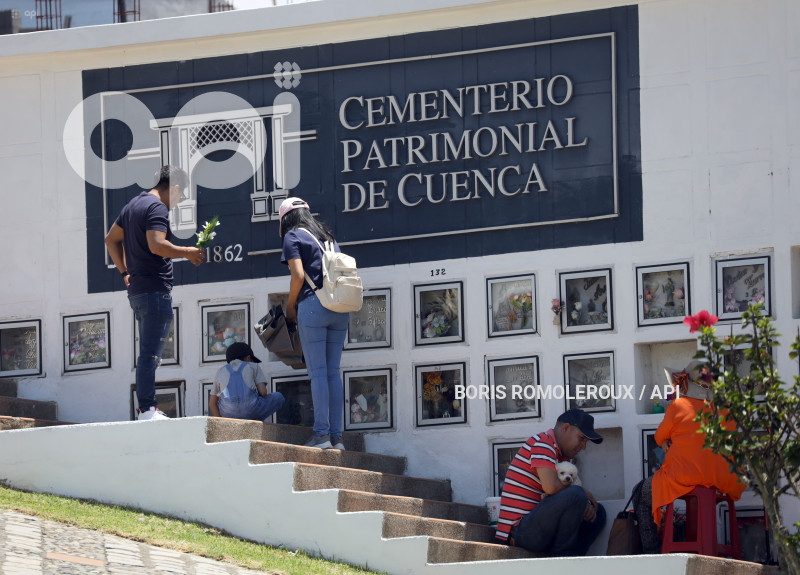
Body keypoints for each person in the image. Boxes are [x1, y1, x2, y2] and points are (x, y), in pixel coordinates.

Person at [104, 165, 205, 421]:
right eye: (180, 196)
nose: (178, 202)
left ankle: (147, 408)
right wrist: (188, 252)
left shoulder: (132, 205)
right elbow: (157, 245)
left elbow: (110, 239)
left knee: (148, 353)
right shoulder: (157, 207)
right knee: (150, 354)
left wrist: (124, 272)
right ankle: (147, 409)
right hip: (154, 289)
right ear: (176, 188)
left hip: (138, 290)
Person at [634, 363, 745, 553]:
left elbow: (660, 435)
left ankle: (651, 550)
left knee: (641, 492)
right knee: (701, 497)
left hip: (685, 476)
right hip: (723, 480)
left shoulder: (679, 405)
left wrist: (666, 442)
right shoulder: (727, 409)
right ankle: (704, 546)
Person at [279, 197, 349, 450]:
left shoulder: (293, 236)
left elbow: (298, 275)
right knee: (332, 373)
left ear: (285, 219)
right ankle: (337, 437)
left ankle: (321, 435)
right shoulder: (328, 237)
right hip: (339, 308)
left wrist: (290, 306)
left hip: (313, 307)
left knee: (318, 373)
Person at [495, 408, 607, 557]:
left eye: (586, 442)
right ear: (566, 428)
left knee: (598, 513)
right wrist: (584, 494)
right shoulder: (543, 444)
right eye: (581, 438)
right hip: (520, 531)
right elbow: (551, 487)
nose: (583, 446)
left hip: (540, 527)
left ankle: (570, 559)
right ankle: (561, 559)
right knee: (576, 495)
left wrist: (585, 503)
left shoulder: (562, 457)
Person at [209, 342, 285, 421]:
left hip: (228, 415)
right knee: (279, 397)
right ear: (248, 358)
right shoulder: (253, 366)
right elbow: (263, 392)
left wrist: (222, 422)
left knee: (222, 401)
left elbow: (212, 403)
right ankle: (255, 421)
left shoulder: (220, 371)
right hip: (250, 411)